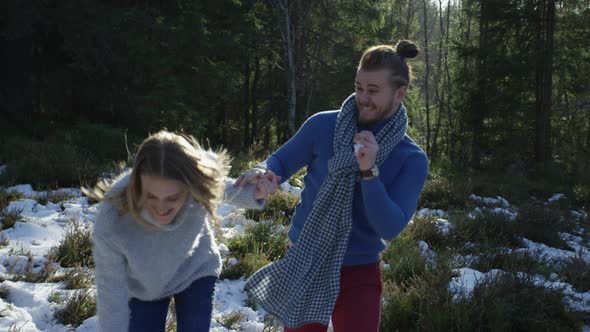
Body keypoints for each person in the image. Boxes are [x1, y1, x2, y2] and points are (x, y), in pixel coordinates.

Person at [235, 40, 428, 332]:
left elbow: (389, 227)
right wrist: (265, 172)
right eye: (359, 87)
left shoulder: (411, 158)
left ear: (399, 94)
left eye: (373, 91)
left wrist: (369, 172)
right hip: (304, 261)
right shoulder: (323, 126)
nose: (363, 98)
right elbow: (281, 162)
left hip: (359, 272)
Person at [84, 130, 278, 332]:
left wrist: (256, 190)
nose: (161, 207)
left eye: (172, 198)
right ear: (137, 185)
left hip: (194, 269)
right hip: (144, 286)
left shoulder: (197, 187)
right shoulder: (113, 217)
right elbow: (111, 293)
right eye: (151, 196)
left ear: (190, 186)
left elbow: (228, 189)